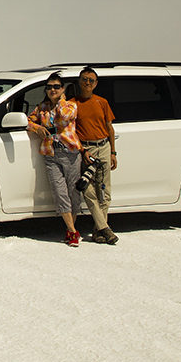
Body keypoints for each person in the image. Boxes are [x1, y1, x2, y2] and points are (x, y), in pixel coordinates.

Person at [26, 71, 85, 246]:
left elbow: (66, 116)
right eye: (49, 87)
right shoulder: (41, 108)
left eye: (56, 87)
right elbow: (28, 121)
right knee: (59, 193)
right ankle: (73, 231)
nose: (52, 90)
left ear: (63, 89)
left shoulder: (70, 105)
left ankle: (70, 230)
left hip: (70, 153)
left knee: (73, 192)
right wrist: (37, 128)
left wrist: (60, 101)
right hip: (51, 154)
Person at [74, 66, 118, 244]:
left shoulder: (102, 102)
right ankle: (105, 229)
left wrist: (113, 152)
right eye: (85, 79)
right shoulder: (73, 104)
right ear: (80, 81)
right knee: (88, 189)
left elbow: (109, 128)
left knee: (105, 192)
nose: (88, 83)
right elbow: (71, 132)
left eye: (91, 80)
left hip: (104, 147)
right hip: (86, 150)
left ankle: (98, 230)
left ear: (96, 83)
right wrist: (83, 151)